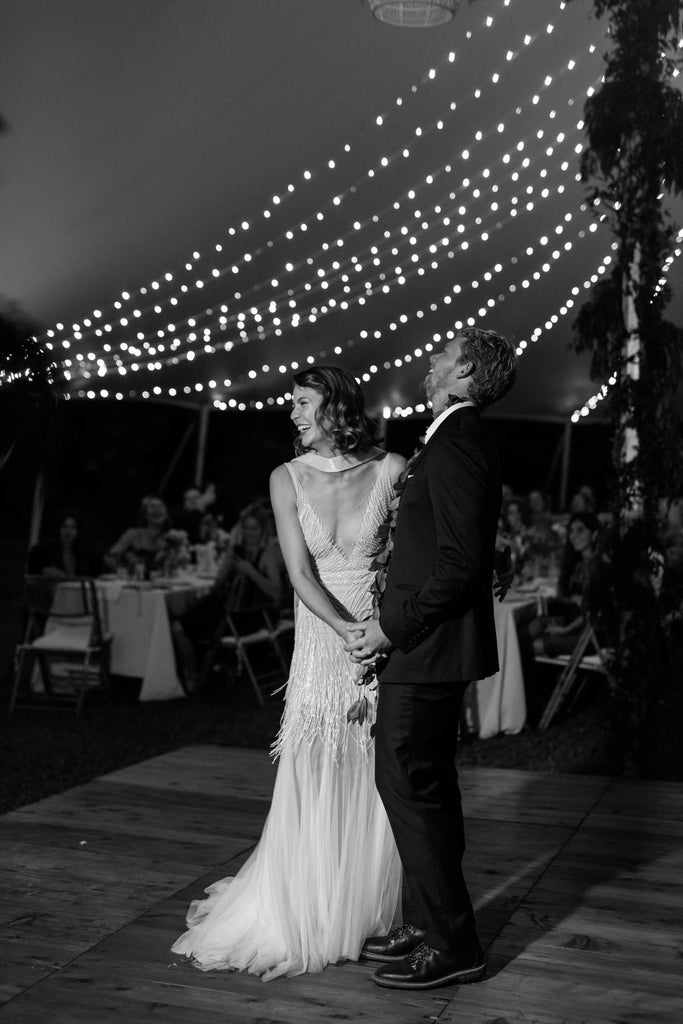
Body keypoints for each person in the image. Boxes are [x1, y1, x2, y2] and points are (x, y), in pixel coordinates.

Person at [171, 365, 406, 979]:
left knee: (373, 768)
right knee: (313, 764)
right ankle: (305, 910)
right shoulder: (285, 479)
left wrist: (377, 630)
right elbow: (300, 575)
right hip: (326, 643)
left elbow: (410, 559)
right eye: (293, 405)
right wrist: (347, 631)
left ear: (336, 406)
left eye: (303, 403)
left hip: (379, 641)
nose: (294, 414)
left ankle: (363, 912)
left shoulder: (392, 470)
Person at [345, 328, 518, 990]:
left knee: (410, 786)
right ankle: (425, 921)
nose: (430, 360)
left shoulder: (459, 443)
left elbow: (458, 564)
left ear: (465, 372)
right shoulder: (450, 439)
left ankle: (454, 944)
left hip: (425, 650)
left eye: (443, 356)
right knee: (425, 788)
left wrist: (390, 630)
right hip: (429, 650)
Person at [171, 502, 282, 691]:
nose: (249, 533)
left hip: (251, 616)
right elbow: (217, 586)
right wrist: (226, 565)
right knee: (183, 616)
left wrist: (251, 572)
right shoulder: (236, 550)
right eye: (246, 528)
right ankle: (197, 671)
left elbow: (277, 593)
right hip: (229, 610)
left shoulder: (266, 555)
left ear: (263, 530)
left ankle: (194, 676)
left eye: (254, 528)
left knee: (180, 626)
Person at [532, 512, 603, 657]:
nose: (574, 535)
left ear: (594, 534)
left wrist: (566, 630)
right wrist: (574, 598)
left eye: (580, 530)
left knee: (530, 645)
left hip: (589, 635)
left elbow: (594, 611)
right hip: (569, 623)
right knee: (523, 631)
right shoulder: (577, 564)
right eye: (571, 530)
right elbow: (562, 594)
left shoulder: (599, 566)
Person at [105, 495, 171, 574]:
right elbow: (109, 557)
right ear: (145, 514)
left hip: (165, 584)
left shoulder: (171, 537)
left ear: (166, 513)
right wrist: (124, 569)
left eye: (161, 506)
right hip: (134, 583)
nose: (157, 510)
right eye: (152, 507)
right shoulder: (133, 534)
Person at [27, 508, 101, 578]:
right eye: (64, 526)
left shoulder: (85, 555)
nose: (68, 531)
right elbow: (33, 573)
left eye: (73, 527)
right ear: (58, 528)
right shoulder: (41, 551)